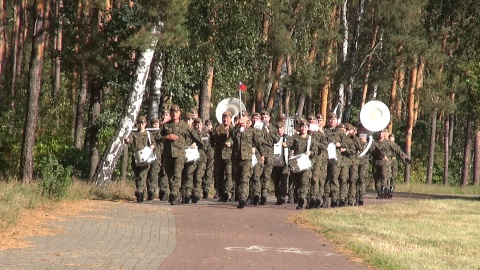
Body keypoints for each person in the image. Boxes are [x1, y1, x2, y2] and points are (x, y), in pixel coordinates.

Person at [160, 104, 192, 205]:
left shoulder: (184, 126)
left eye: (176, 112)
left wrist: (192, 145)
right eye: (172, 112)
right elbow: (157, 138)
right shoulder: (165, 125)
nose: (174, 113)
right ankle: (177, 194)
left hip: (179, 154)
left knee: (177, 174)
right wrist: (166, 137)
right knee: (170, 175)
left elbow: (191, 137)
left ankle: (174, 194)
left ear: (180, 113)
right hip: (168, 154)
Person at [283, 120, 319, 209]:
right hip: (296, 165)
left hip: (306, 165)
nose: (304, 128)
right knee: (297, 184)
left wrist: (310, 152)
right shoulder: (295, 137)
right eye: (302, 127)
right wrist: (286, 144)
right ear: (299, 128)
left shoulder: (311, 139)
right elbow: (290, 143)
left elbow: (316, 150)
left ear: (308, 128)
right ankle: (300, 199)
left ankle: (302, 199)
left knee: (304, 182)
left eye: (305, 127)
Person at [231, 115, 263, 208]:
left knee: (245, 178)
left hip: (247, 158)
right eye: (241, 117)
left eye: (243, 117)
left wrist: (262, 154)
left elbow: (257, 142)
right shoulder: (236, 130)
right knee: (237, 179)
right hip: (237, 158)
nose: (242, 119)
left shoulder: (251, 131)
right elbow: (232, 135)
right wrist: (238, 126)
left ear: (247, 120)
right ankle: (241, 195)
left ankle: (242, 199)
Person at [124, 116, 156, 202]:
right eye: (139, 123)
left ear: (145, 124)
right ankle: (141, 193)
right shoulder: (134, 134)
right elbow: (130, 140)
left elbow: (153, 144)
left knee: (142, 175)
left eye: (142, 123)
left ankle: (139, 191)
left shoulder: (148, 134)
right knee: (138, 176)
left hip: (145, 158)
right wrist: (127, 140)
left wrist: (151, 147)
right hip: (136, 158)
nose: (141, 125)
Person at [211, 111, 234, 202]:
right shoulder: (218, 128)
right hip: (219, 155)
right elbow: (213, 140)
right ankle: (221, 194)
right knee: (219, 175)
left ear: (231, 119)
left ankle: (227, 192)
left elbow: (238, 140)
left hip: (229, 156)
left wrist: (231, 144)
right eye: (224, 118)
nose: (226, 120)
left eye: (228, 118)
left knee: (229, 174)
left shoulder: (233, 129)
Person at [259, 111, 279, 205]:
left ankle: (264, 195)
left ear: (269, 118)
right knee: (257, 175)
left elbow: (277, 140)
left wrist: (268, 132)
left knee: (266, 176)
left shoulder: (273, 129)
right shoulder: (258, 128)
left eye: (266, 117)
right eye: (262, 117)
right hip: (259, 155)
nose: (264, 119)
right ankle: (255, 194)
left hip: (269, 156)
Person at [271, 121, 290, 205]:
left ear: (284, 128)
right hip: (274, 162)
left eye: (281, 128)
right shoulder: (272, 137)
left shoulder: (287, 138)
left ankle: (282, 196)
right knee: (276, 180)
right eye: (278, 128)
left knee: (284, 179)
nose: (279, 130)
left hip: (284, 162)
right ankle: (278, 196)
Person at [146, 117, 161, 200]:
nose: (155, 126)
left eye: (157, 124)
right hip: (148, 156)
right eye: (154, 124)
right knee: (147, 174)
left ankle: (152, 190)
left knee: (154, 173)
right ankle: (148, 190)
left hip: (157, 156)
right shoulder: (148, 133)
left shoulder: (161, 133)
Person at [202, 119, 215, 198]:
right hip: (203, 153)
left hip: (211, 154)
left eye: (210, 124)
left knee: (209, 171)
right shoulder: (203, 133)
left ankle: (206, 189)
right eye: (207, 124)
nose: (208, 126)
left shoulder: (214, 133)